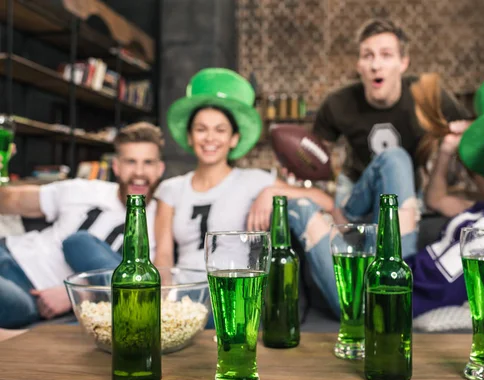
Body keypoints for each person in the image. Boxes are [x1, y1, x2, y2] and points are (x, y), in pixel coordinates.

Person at [286, 66, 484, 318]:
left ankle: (340, 220)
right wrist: (448, 150)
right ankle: (346, 219)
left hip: (383, 302)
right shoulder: (480, 209)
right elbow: (435, 198)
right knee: (395, 158)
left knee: (297, 207)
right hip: (394, 265)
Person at [312, 18, 473, 256]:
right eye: (368, 56)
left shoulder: (426, 94)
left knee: (396, 161)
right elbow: (314, 156)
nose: (376, 65)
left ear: (403, 62)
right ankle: (392, 274)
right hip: (356, 191)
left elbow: (471, 133)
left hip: (406, 192)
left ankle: (386, 271)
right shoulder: (338, 103)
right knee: (394, 159)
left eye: (386, 55)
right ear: (359, 65)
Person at [153, 68, 333, 275]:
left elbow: (324, 200)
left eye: (220, 130)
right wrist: (167, 300)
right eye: (201, 129)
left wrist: (272, 192)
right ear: (190, 137)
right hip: (186, 295)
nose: (210, 138)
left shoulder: (254, 180)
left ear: (234, 139)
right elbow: (163, 257)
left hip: (236, 291)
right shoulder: (171, 189)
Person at [0, 122, 165, 328]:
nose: (139, 171)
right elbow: (7, 201)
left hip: (31, 296)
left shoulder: (162, 219)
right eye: (131, 161)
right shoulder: (82, 189)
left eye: (148, 162)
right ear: (116, 167)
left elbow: (152, 288)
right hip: (9, 253)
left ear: (160, 169)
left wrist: (77, 294)